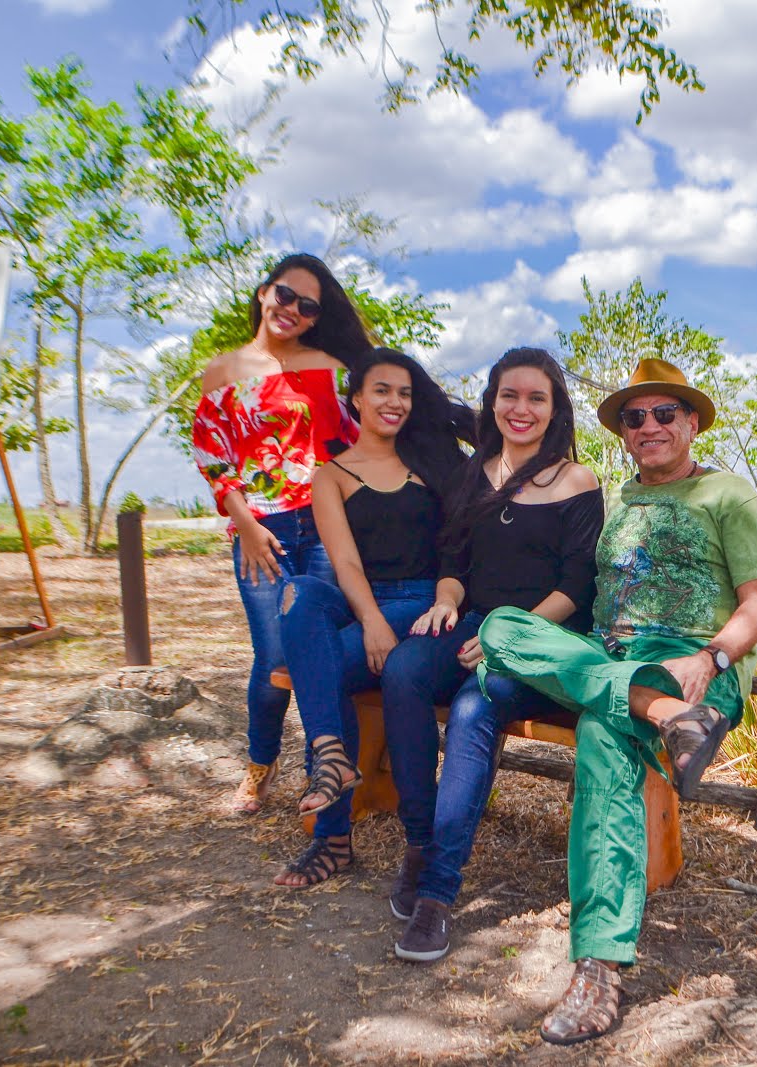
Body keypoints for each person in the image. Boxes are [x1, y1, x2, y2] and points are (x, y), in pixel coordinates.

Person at [475, 357, 757, 1045]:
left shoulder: (728, 495)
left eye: (663, 413)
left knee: (599, 735)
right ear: (623, 433)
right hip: (617, 663)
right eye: (634, 417)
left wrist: (712, 657)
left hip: (693, 665)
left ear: (692, 421)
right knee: (500, 626)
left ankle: (598, 964)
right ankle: (663, 717)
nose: (648, 426)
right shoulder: (623, 500)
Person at [380, 347, 602, 962]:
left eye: (537, 398)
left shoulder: (576, 482)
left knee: (476, 710)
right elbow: (453, 563)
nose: (521, 409)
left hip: (544, 641)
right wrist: (447, 602)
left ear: (555, 409)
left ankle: (436, 897)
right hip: (473, 623)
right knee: (403, 670)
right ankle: (420, 842)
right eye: (510, 395)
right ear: (492, 402)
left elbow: (576, 589)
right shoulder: (474, 473)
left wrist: (512, 636)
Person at [273, 348, 477, 888]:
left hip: (424, 600)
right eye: (382, 390)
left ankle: (331, 837)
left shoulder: (433, 463)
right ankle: (331, 757)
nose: (395, 402)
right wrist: (370, 621)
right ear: (356, 398)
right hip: (361, 598)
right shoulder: (330, 476)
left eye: (405, 393)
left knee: (321, 671)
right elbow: (343, 562)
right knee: (298, 592)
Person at [191, 254, 371, 815]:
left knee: (321, 650)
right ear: (265, 293)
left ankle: (330, 772)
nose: (293, 309)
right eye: (285, 295)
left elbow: (357, 440)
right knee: (273, 655)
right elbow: (211, 457)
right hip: (258, 529)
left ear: (317, 317)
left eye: (308, 305)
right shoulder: (221, 372)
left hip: (323, 527)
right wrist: (244, 523)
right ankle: (260, 764)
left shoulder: (329, 367)